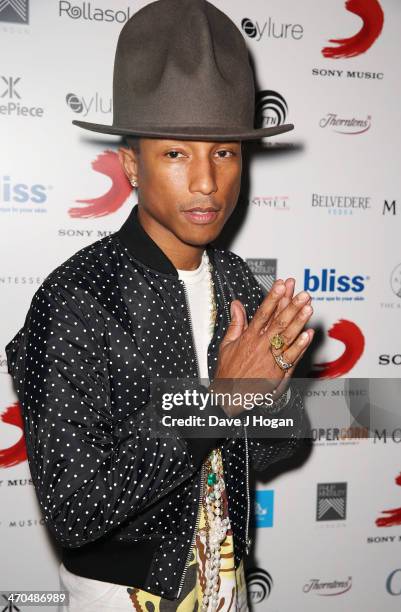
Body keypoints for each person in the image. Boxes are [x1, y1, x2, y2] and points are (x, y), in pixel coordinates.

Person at [5, 0, 314, 610]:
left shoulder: (237, 285)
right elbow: (73, 508)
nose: (206, 181)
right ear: (131, 165)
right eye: (177, 153)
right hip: (122, 595)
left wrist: (269, 400)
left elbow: (285, 445)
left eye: (224, 153)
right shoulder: (76, 299)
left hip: (228, 581)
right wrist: (217, 402)